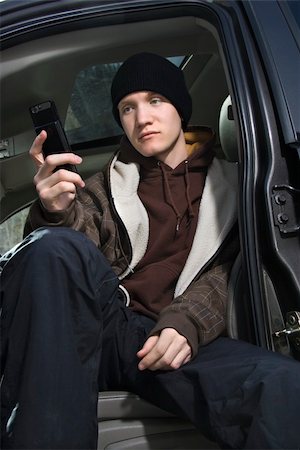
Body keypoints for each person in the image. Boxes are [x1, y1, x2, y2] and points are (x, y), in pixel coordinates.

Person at [1, 52, 299, 450]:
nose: (142, 118)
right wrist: (55, 214)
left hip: (172, 334)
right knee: (55, 247)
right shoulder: (100, 188)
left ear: (181, 107)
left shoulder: (239, 187)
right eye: (128, 107)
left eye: (155, 100)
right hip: (104, 325)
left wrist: (187, 320)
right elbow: (70, 266)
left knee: (281, 386)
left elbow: (230, 270)